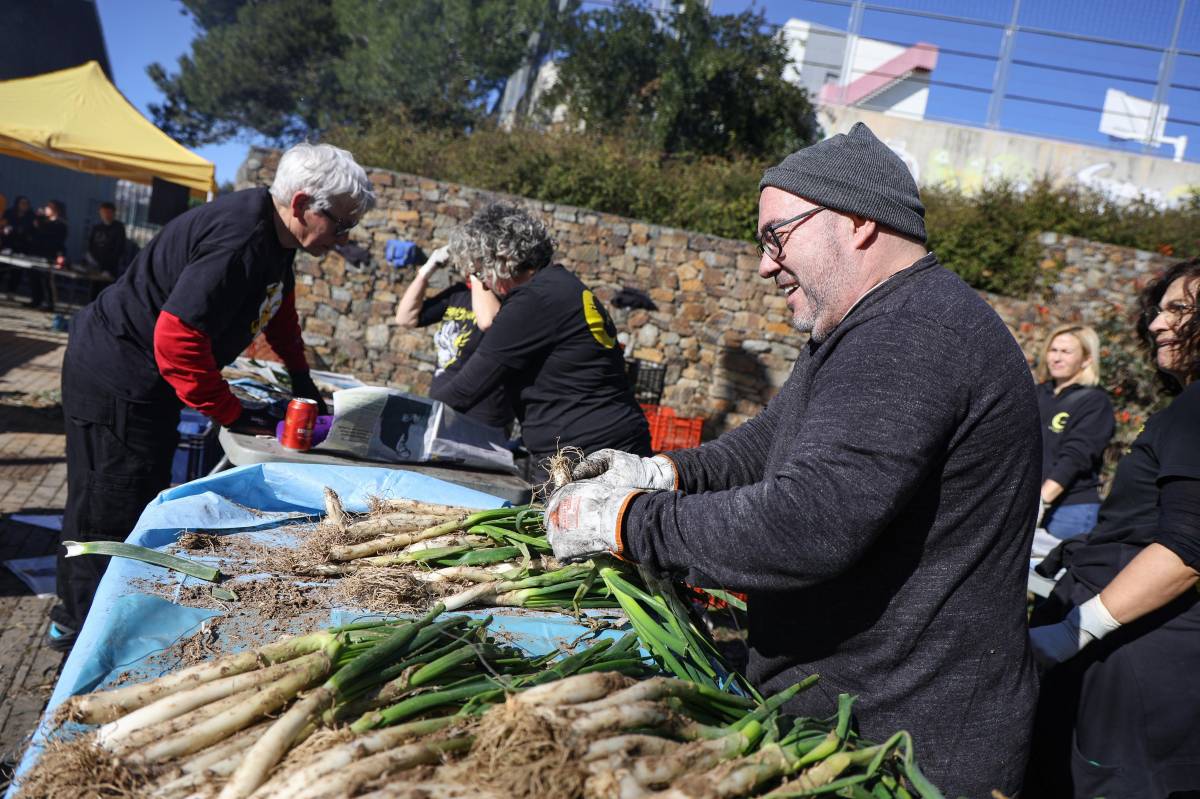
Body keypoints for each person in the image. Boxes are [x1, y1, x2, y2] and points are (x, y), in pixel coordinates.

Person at [545, 123, 1040, 797]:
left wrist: (631, 522)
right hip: (853, 715)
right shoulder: (868, 323)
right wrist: (667, 473)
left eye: (777, 236)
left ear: (860, 221)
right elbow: (776, 437)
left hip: (898, 746)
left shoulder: (913, 333)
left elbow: (806, 524)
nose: (764, 264)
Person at [48, 143, 375, 652]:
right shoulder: (242, 237)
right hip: (116, 373)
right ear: (303, 203)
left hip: (146, 382)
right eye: (340, 224)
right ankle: (78, 631)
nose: (342, 237)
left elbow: (277, 312)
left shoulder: (276, 238)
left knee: (138, 498)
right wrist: (230, 412)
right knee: (107, 505)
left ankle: (102, 613)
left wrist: (302, 380)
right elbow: (176, 339)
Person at [1025, 259, 1200, 799]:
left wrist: (1073, 631)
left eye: (1179, 309)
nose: (1155, 324)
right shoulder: (1185, 405)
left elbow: (1187, 549)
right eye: (1159, 309)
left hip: (1139, 664)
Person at [430, 202, 650, 476]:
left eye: (481, 271)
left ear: (502, 259)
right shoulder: (561, 285)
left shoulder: (534, 301)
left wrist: (412, 413)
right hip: (607, 441)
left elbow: (466, 390)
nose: (484, 283)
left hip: (587, 451)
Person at [394, 245, 512, 430]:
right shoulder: (458, 293)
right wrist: (426, 271)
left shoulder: (507, 299)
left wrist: (476, 272)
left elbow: (489, 320)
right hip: (442, 406)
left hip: (480, 417)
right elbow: (405, 318)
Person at [1035, 324, 1114, 542]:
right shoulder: (1038, 393)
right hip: (1029, 502)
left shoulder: (1094, 402)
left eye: (1066, 352)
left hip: (1070, 511)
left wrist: (1042, 499)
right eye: (1053, 350)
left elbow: (1076, 456)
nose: (1056, 358)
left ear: (1087, 359)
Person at [27, 199, 68, 310]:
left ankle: (49, 303)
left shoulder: (60, 224)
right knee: (34, 277)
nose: (46, 209)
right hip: (37, 252)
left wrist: (39, 221)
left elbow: (52, 237)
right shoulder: (44, 221)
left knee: (46, 279)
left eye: (49, 207)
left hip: (49, 254)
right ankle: (36, 300)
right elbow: (33, 232)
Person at [85, 201, 127, 300]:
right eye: (103, 212)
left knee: (106, 291)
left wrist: (108, 266)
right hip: (95, 266)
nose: (105, 215)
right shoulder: (97, 227)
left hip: (110, 267)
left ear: (113, 213)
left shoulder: (118, 228)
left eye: (108, 212)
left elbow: (119, 248)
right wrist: (93, 261)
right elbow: (90, 245)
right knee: (93, 290)